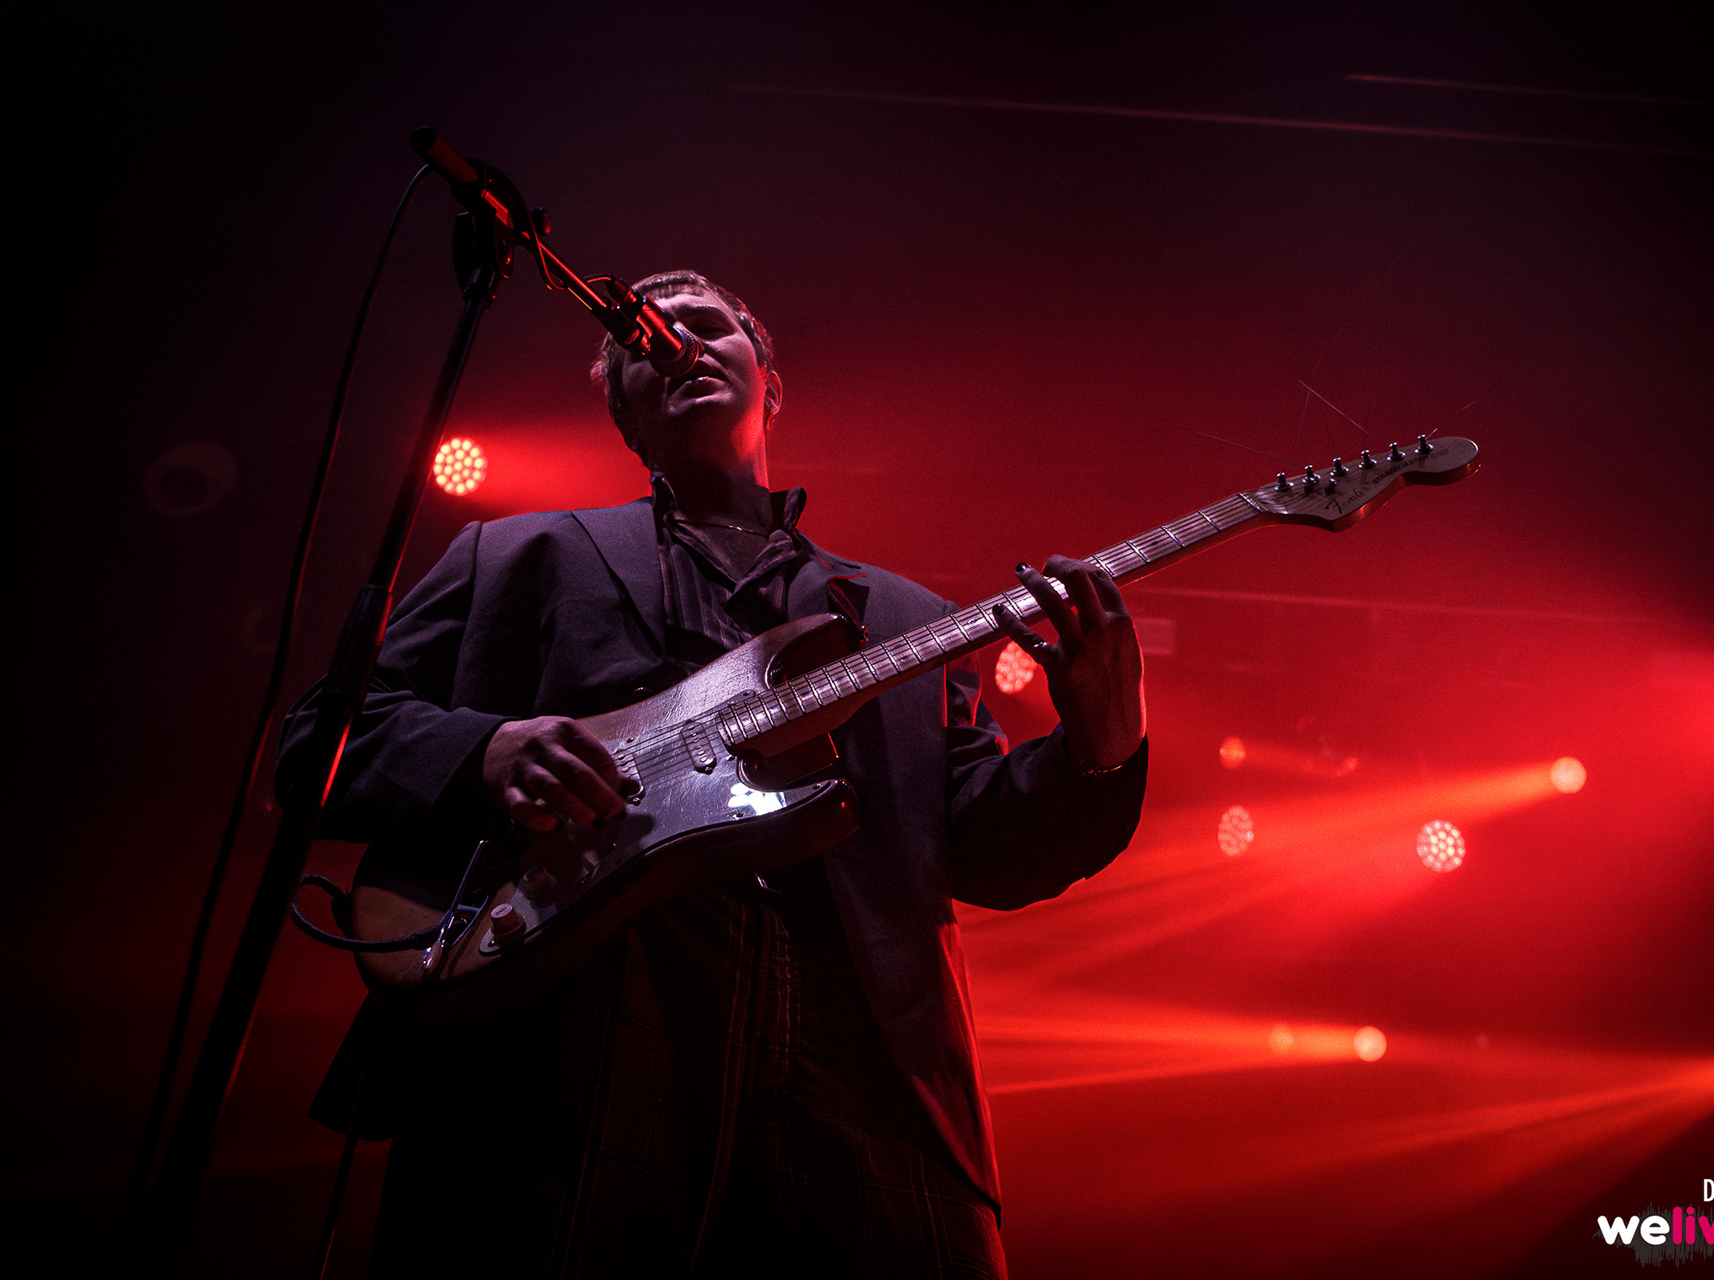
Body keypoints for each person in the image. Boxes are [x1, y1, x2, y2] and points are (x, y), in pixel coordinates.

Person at [279, 271, 1147, 1277]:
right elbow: (318, 742)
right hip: (573, 1028)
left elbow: (989, 848)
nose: (678, 342)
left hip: (865, 1065)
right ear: (625, 416)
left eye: (708, 324)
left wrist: (1102, 741)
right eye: (644, 342)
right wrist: (489, 749)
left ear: (768, 382)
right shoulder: (513, 555)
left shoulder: (910, 621)